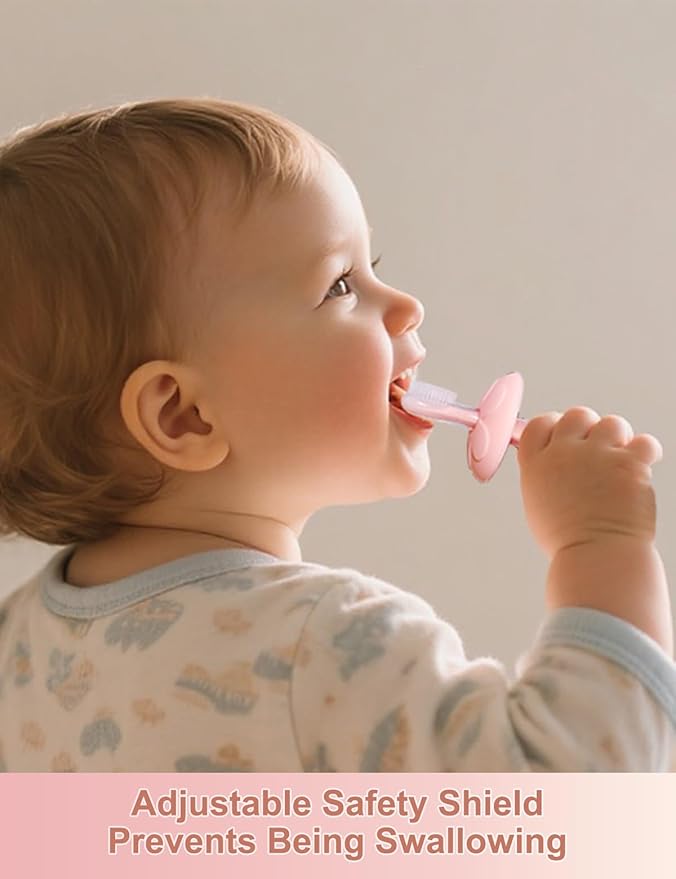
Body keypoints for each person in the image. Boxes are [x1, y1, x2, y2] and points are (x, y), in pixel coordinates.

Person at [0, 98, 673, 772]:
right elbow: (574, 805)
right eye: (340, 285)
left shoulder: (18, 645)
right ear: (184, 416)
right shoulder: (328, 646)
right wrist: (601, 545)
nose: (407, 306)